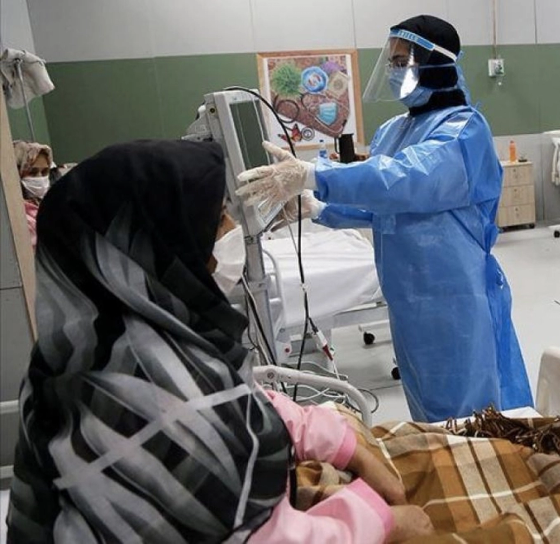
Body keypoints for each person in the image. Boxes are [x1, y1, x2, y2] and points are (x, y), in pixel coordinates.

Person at [6, 139, 432, 543]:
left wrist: (328, 436)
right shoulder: (169, 401)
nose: (229, 232)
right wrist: (383, 521)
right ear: (152, 252)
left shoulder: (74, 358)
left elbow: (238, 399)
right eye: (215, 223)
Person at [236, 15, 533, 422]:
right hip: (406, 299)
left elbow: (407, 180)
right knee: (427, 409)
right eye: (390, 62)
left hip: (455, 298)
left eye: (401, 62)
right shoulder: (394, 130)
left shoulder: (463, 131)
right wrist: (317, 207)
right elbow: (383, 204)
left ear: (434, 64)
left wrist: (313, 175)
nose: (393, 72)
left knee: (472, 414)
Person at [13, 140, 54, 247]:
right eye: (32, 172)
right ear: (18, 174)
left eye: (45, 172)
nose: (40, 178)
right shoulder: (16, 214)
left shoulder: (51, 204)